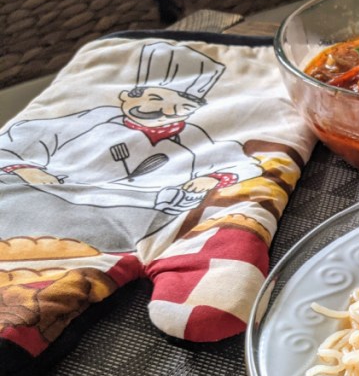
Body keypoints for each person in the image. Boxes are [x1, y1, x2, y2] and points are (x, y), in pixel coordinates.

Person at [0, 42, 263, 251]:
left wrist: (210, 178)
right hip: (57, 199)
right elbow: (23, 140)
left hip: (136, 214)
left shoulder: (195, 136)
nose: (163, 110)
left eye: (183, 106)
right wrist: (25, 168)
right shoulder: (95, 118)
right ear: (126, 96)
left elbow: (241, 164)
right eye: (155, 98)